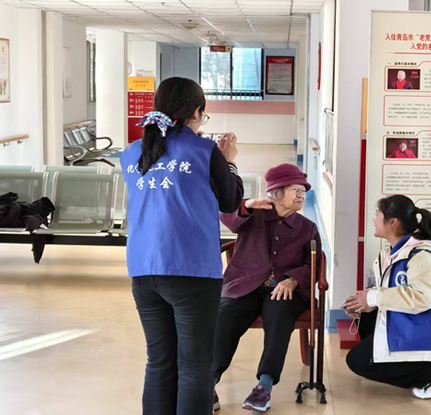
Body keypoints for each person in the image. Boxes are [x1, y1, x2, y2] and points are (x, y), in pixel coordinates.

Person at [120, 77, 244, 415]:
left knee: (159, 362)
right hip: (192, 271)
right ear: (196, 112)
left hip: (143, 270)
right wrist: (228, 161)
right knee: (195, 366)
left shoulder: (132, 152)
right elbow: (230, 202)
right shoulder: (204, 151)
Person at [214, 163, 322, 412]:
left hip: (286, 289)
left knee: (280, 312)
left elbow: (314, 263)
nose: (301, 195)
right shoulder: (255, 214)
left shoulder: (307, 227)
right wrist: (246, 205)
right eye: (295, 190)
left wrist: (293, 279)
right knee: (225, 315)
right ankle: (209, 381)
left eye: (303, 190)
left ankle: (264, 386)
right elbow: (227, 218)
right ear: (277, 192)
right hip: (246, 283)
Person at [343, 195, 431, 400]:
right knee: (365, 316)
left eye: (377, 214)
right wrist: (365, 304)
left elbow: (422, 297)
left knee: (357, 362)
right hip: (411, 322)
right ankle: (409, 364)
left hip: (426, 328)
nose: (374, 220)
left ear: (393, 222)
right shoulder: (392, 253)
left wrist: (373, 298)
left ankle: (429, 372)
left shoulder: (423, 255)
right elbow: (391, 291)